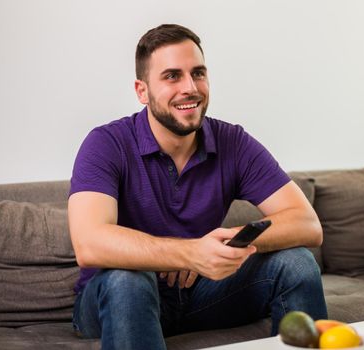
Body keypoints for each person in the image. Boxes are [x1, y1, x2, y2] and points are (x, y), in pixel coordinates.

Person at [68, 24, 327, 350]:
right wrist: (188, 253)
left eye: (198, 73)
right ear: (141, 91)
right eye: (172, 76)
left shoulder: (233, 141)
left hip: (203, 294)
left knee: (297, 263)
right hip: (114, 298)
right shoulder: (106, 144)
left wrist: (222, 245)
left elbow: (307, 224)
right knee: (127, 279)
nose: (190, 87)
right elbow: (89, 243)